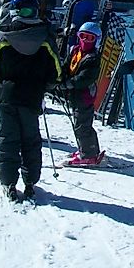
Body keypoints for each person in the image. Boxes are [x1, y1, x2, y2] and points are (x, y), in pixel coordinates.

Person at [0, 0, 61, 201]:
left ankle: (8, 182)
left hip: (7, 96)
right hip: (32, 97)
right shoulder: (45, 38)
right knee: (30, 139)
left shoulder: (3, 36)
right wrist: (45, 84)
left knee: (7, 139)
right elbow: (56, 71)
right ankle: (30, 182)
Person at [57, 21, 105, 166]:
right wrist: (60, 76)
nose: (85, 41)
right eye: (83, 36)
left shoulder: (93, 58)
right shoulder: (75, 51)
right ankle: (89, 149)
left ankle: (88, 155)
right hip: (75, 95)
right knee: (81, 123)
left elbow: (84, 78)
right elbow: (66, 66)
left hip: (84, 96)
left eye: (90, 38)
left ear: (96, 41)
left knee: (82, 125)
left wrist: (68, 84)